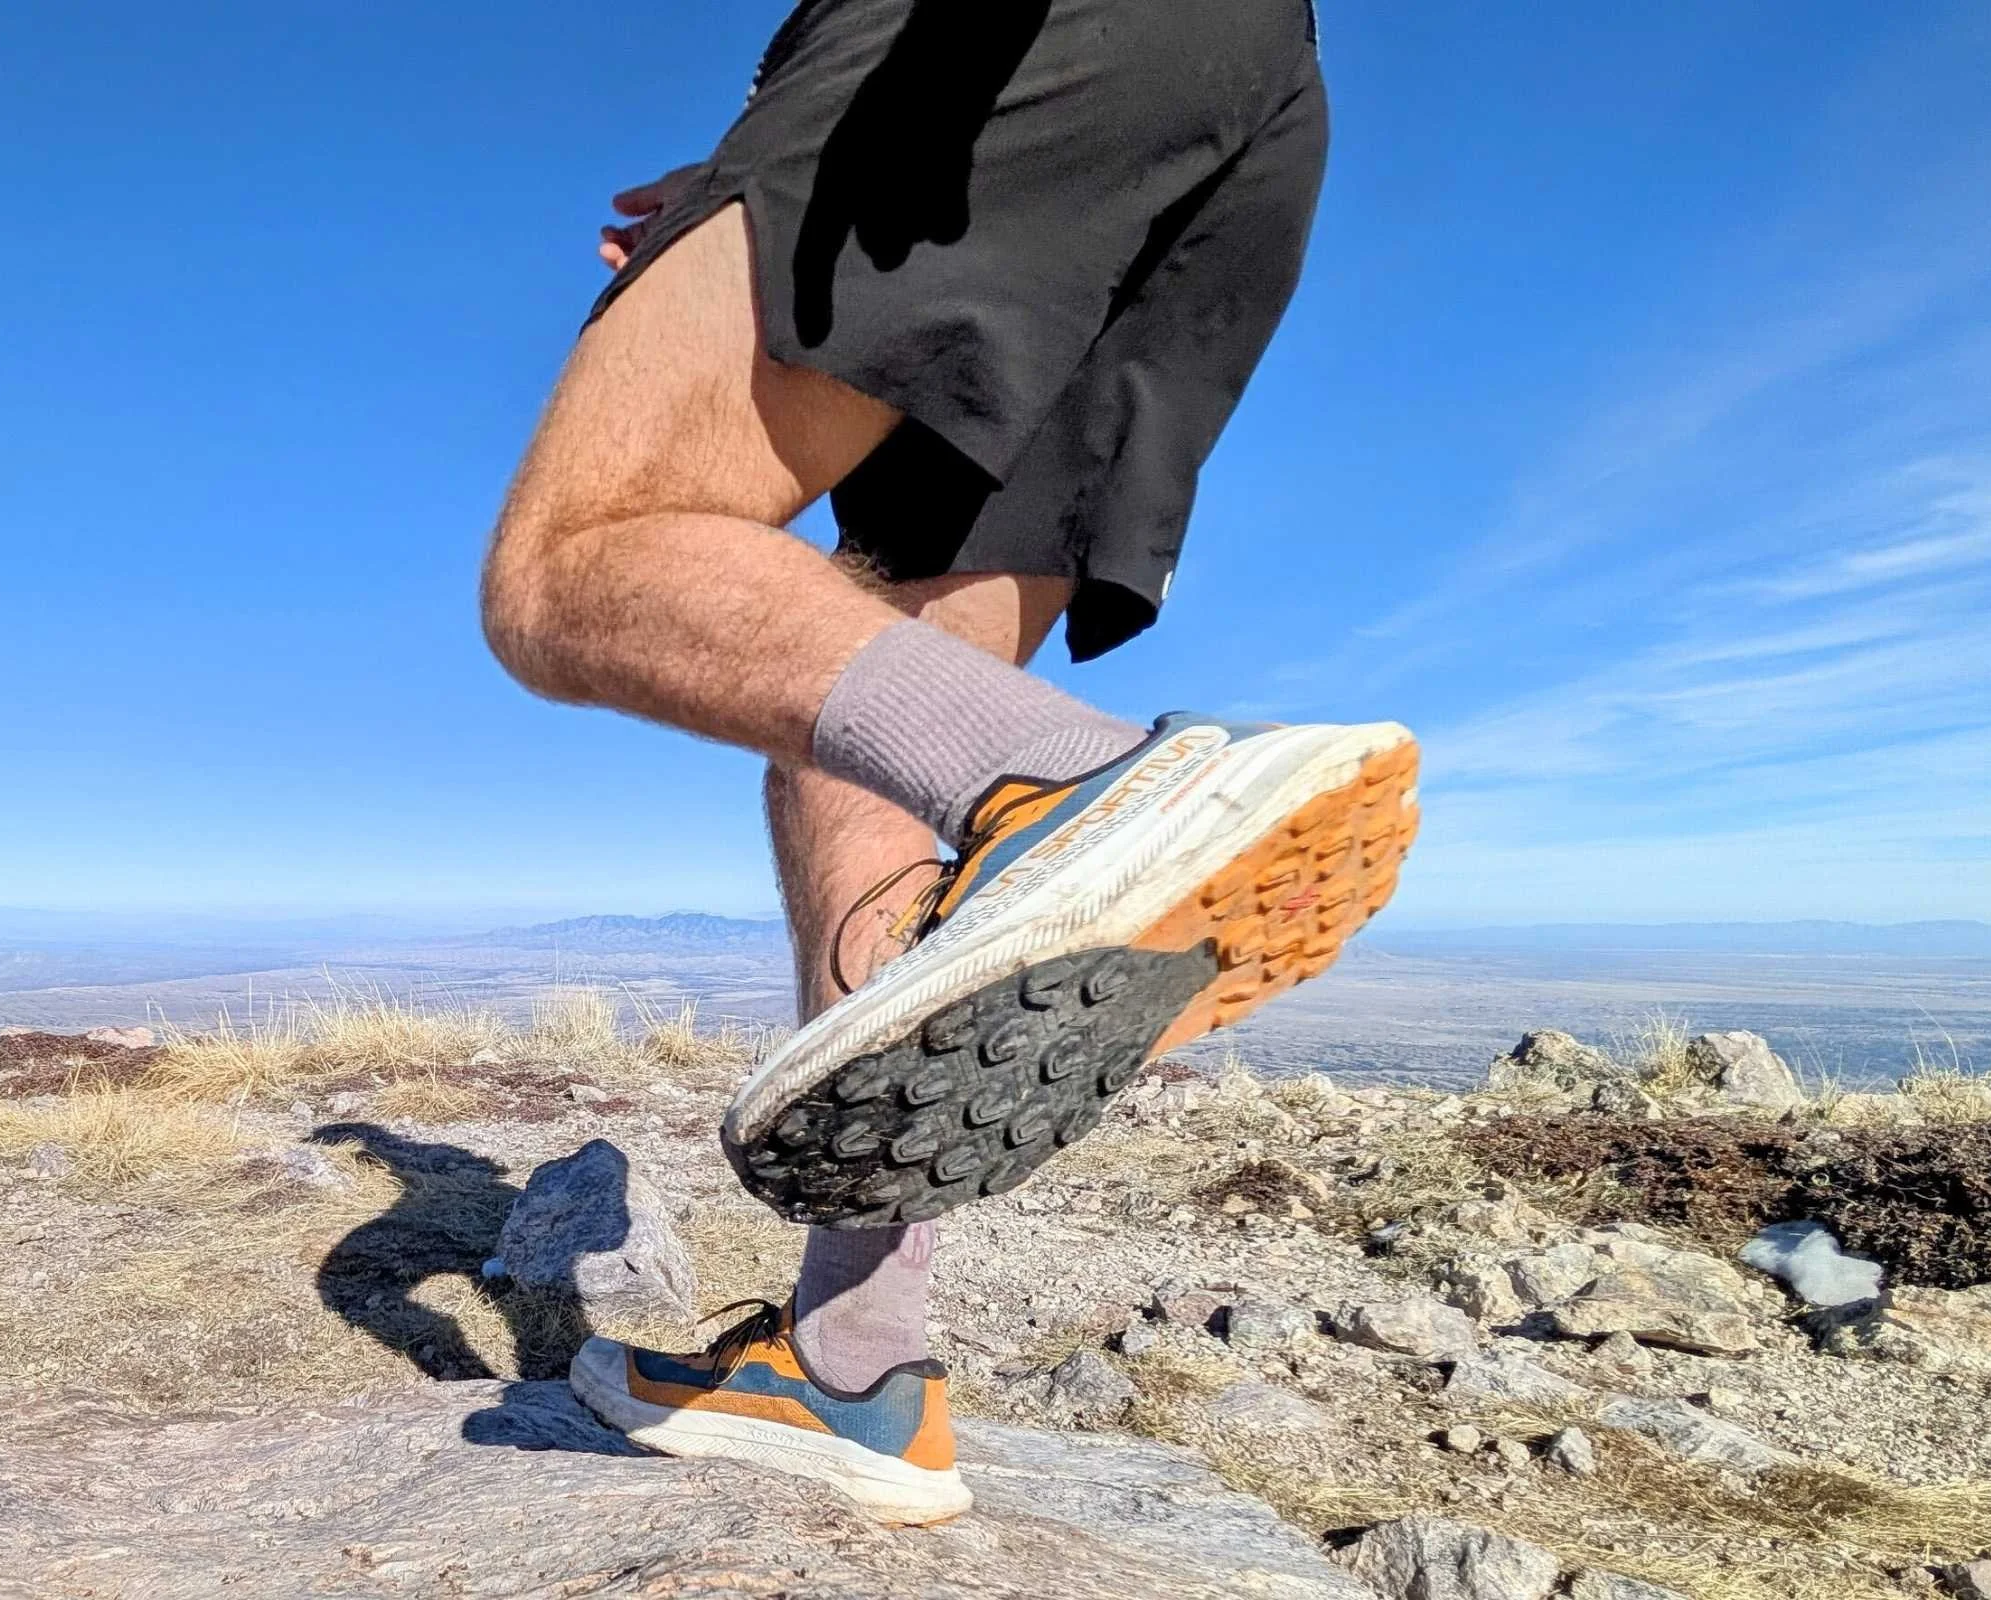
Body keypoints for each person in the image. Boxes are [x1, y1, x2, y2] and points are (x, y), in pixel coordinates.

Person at [481, 0, 1417, 1525]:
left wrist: (802, 119)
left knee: (576, 560)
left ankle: (1086, 783)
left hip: (997, 37)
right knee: (866, 723)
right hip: (1237, 100)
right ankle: (857, 1363)